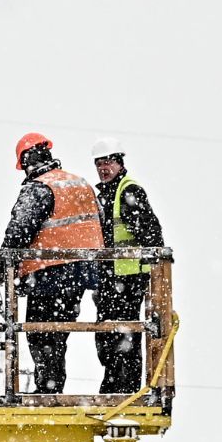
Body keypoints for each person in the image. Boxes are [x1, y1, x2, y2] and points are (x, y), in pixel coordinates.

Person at [0, 133, 103, 394]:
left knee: (40, 334)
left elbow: (19, 232)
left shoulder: (39, 187)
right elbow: (100, 224)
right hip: (82, 273)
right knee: (57, 334)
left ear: (27, 160)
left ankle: (48, 389)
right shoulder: (79, 183)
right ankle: (51, 387)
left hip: (50, 273)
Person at [90, 137, 165, 394]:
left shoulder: (128, 191)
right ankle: (113, 382)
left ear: (120, 163)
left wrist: (151, 268)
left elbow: (152, 233)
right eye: (99, 163)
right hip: (110, 278)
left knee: (125, 335)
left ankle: (125, 387)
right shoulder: (105, 195)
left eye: (108, 162)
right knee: (106, 333)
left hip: (129, 277)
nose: (103, 168)